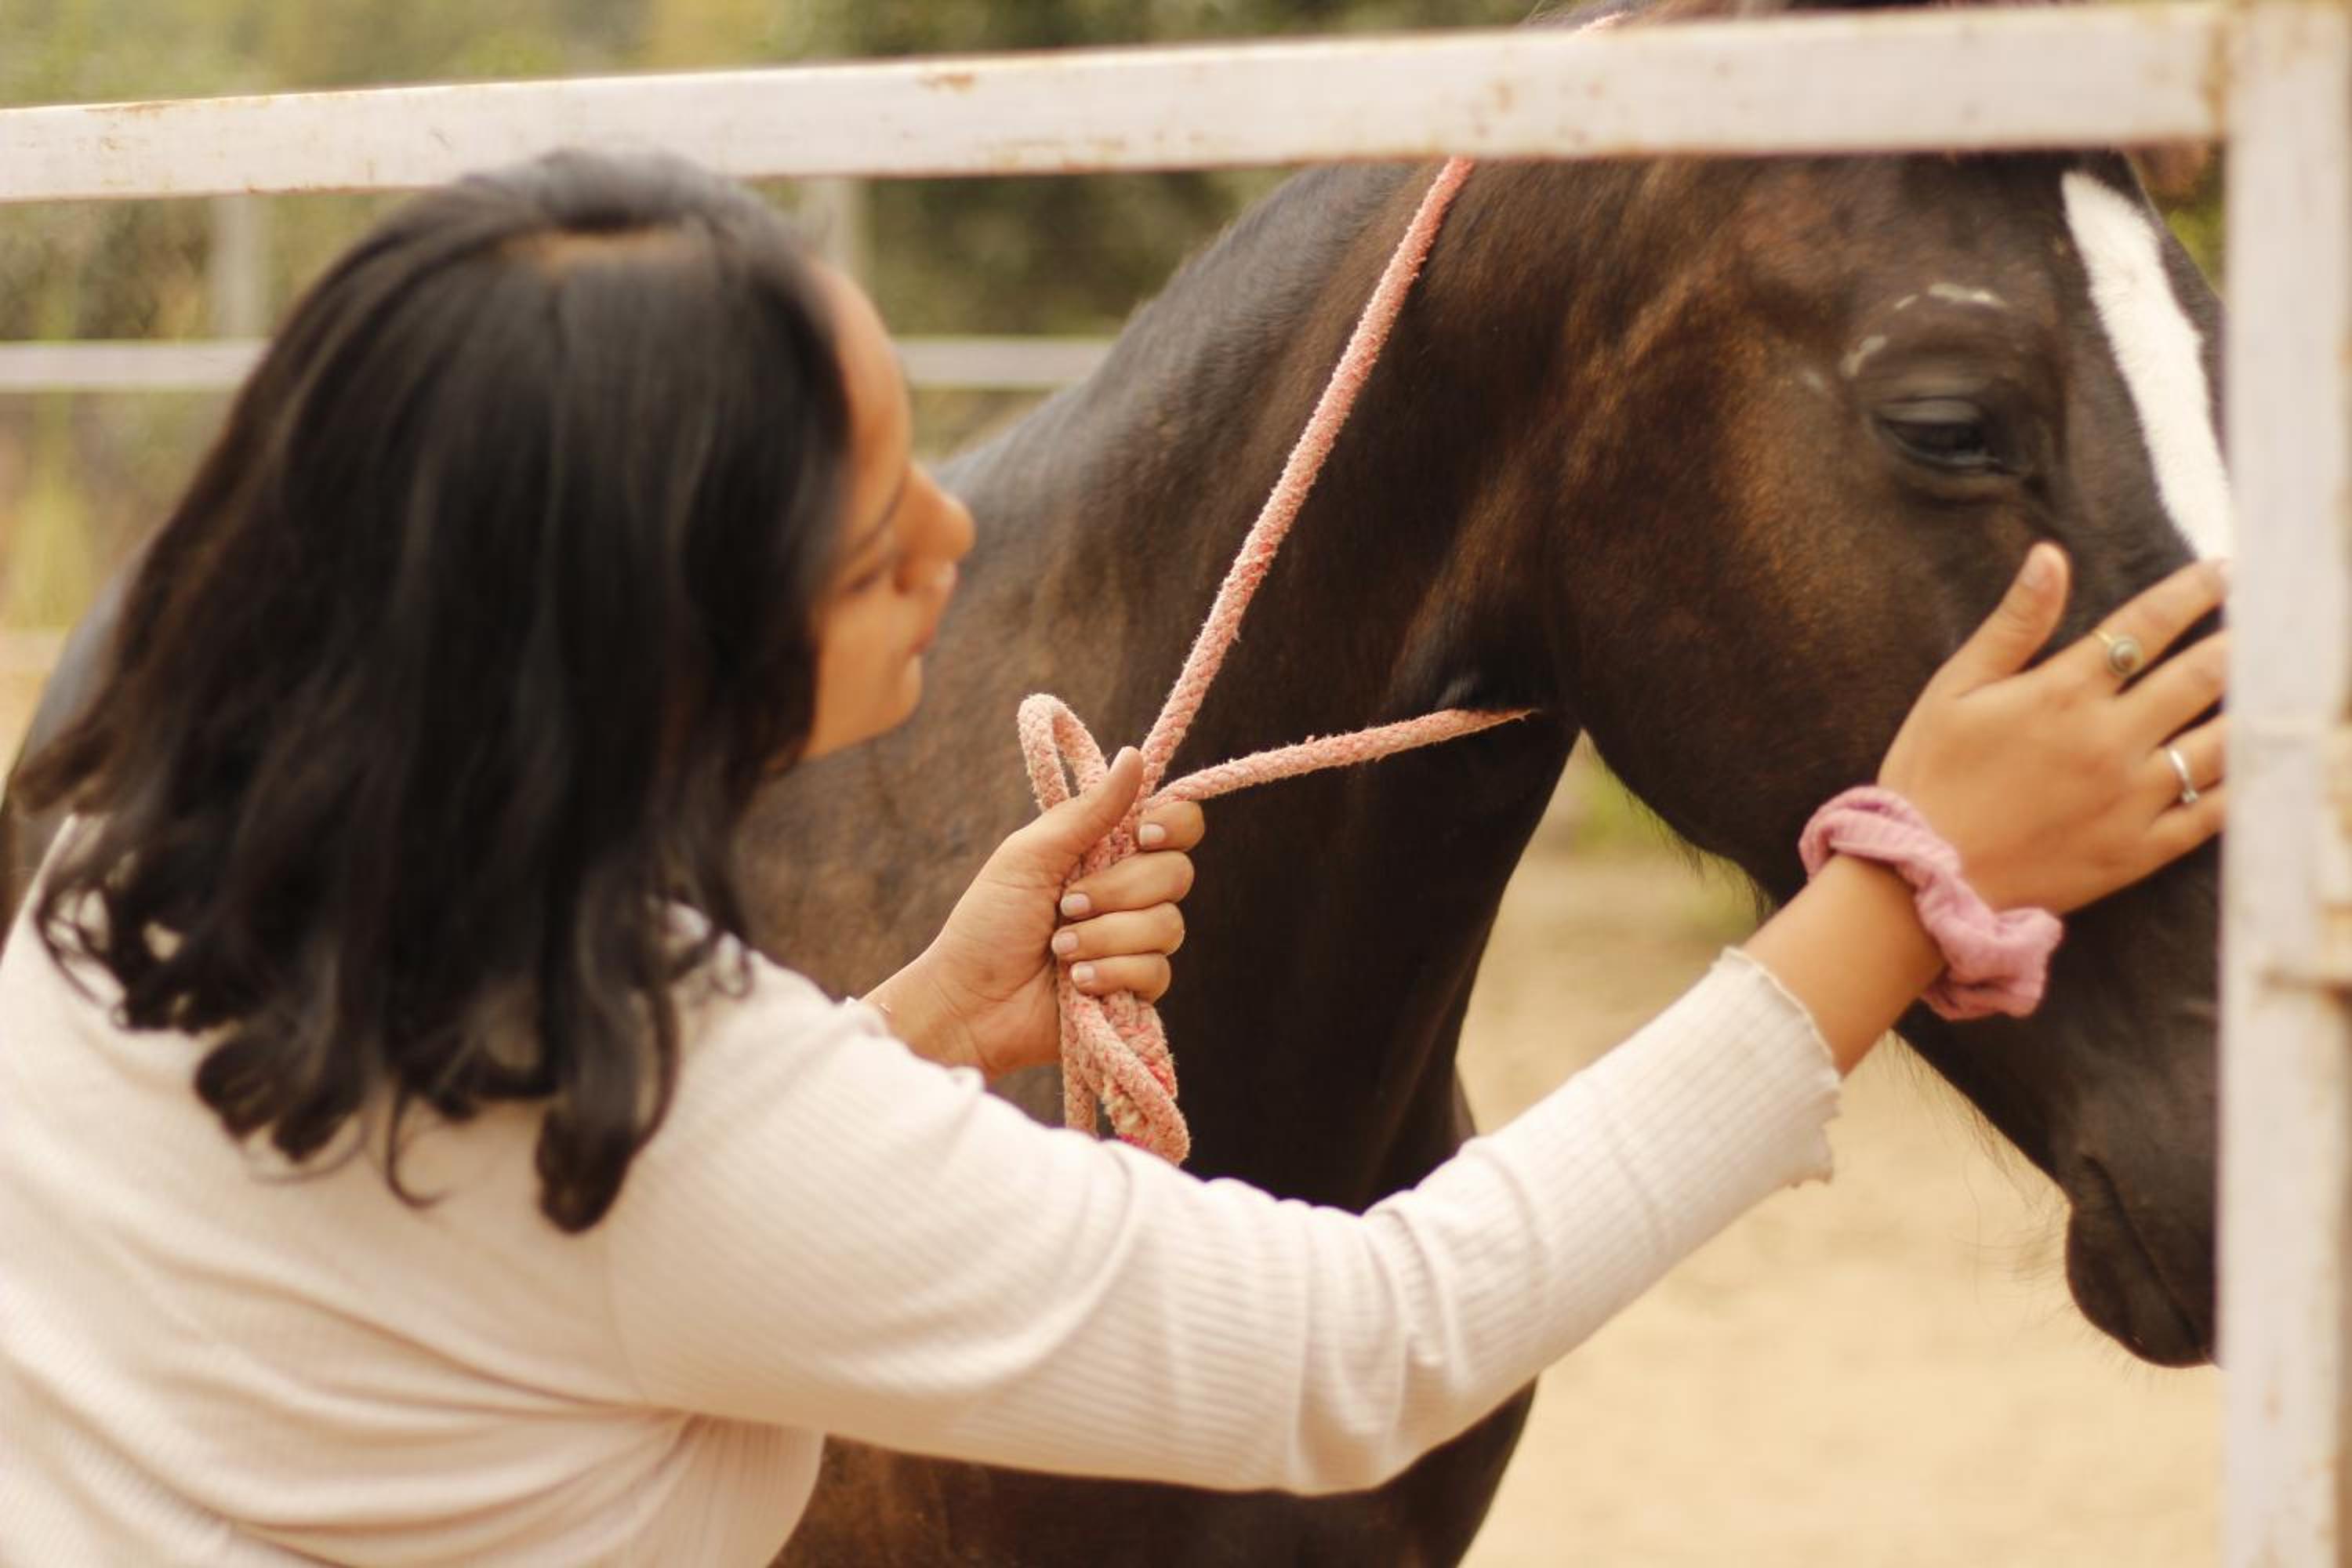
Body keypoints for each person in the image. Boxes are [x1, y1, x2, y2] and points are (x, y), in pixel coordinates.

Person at [0, 151, 2227, 1563]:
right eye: (869, 530)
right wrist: (1901, 894)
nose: (953, 540)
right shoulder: (681, 1116)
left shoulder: (124, 909)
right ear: (651, 641)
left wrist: (902, 1032)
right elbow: (1367, 1344)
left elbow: (525, 1267)